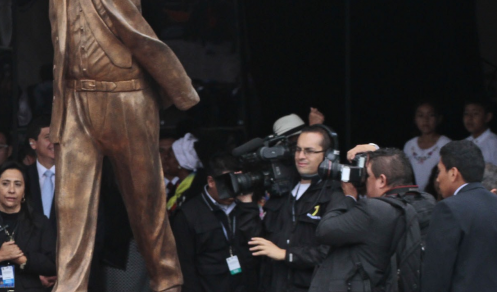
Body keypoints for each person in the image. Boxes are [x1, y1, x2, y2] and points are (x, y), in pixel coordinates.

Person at [45, 0, 201, 292]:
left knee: (145, 204)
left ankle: (167, 282)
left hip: (127, 99)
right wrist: (57, 117)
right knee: (70, 207)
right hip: (78, 103)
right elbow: (60, 46)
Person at [309, 148, 435, 292]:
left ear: (382, 180)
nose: (363, 180)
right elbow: (391, 165)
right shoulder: (425, 202)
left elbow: (325, 230)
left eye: (367, 176)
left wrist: (348, 196)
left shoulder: (373, 210)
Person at [236, 125, 341, 292]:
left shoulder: (335, 195)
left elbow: (331, 254)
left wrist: (285, 254)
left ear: (328, 156)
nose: (300, 156)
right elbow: (258, 243)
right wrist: (247, 203)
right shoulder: (282, 190)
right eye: (298, 150)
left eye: (309, 151)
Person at [171, 153, 258, 292]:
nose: (232, 189)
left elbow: (260, 246)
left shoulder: (245, 207)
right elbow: (185, 266)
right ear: (211, 181)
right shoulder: (188, 214)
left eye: (236, 182)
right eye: (227, 183)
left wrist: (248, 206)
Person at [422, 140, 497, 291]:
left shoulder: (448, 209)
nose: (437, 179)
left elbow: (436, 273)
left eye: (440, 171)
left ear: (453, 173)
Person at [0, 161, 57, 292]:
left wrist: (23, 259)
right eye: (5, 184)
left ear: (24, 192)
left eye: (18, 184)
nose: (11, 190)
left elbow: (52, 264)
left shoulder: (39, 222)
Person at [402, 101, 452, 190]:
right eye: (420, 115)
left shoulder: (445, 144)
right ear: (415, 119)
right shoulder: (409, 145)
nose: (425, 119)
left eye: (431, 115)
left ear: (439, 118)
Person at [25, 116, 56, 220]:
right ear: (33, 143)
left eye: (58, 136)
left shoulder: (76, 178)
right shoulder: (23, 177)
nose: (55, 142)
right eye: (48, 137)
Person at [462, 99, 497, 164]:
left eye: (475, 114)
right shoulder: (463, 144)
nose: (469, 118)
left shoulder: (494, 144)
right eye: (466, 113)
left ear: (487, 117)